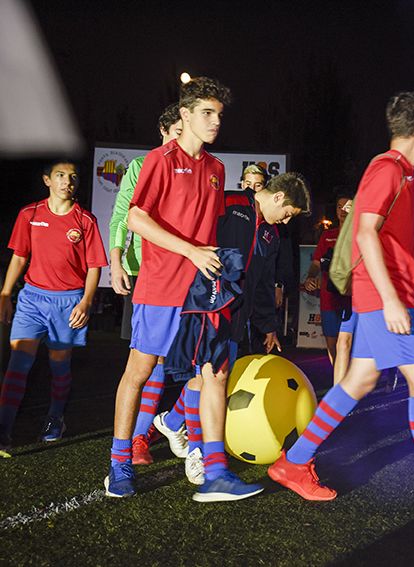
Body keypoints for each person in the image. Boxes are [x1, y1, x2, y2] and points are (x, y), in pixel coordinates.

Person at [267, 91, 414, 518]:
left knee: (357, 382)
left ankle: (293, 462)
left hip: (387, 298)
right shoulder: (386, 169)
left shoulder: (408, 180)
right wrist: (391, 300)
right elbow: (366, 233)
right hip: (386, 299)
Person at [104, 76, 260, 502]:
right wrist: (190, 251)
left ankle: (216, 474)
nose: (215, 122)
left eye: (219, 115)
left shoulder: (217, 169)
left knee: (215, 373)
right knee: (139, 371)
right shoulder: (159, 159)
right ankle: (119, 464)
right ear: (186, 115)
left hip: (201, 290)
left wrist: (213, 265)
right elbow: (136, 218)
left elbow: (206, 229)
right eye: (207, 113)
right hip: (159, 286)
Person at [157, 171, 311, 487]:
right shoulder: (229, 203)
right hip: (205, 307)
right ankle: (199, 454)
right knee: (208, 377)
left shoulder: (271, 235)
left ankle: (173, 422)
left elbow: (264, 284)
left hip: (236, 317)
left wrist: (268, 326)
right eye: (287, 214)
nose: (285, 222)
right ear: (279, 197)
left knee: (212, 378)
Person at [0, 160, 107, 455]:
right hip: (32, 300)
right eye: (60, 175)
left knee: (59, 366)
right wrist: (5, 293)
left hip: (69, 302)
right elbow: (20, 257)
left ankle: (55, 417)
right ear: (47, 180)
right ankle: (3, 430)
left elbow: (95, 266)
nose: (67, 182)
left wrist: (86, 301)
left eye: (73, 177)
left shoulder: (85, 220)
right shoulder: (29, 214)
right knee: (17, 366)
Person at [108, 103, 183, 465]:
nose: (179, 142)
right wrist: (117, 259)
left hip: (178, 275)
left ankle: (148, 432)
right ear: (163, 133)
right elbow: (124, 215)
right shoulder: (141, 166)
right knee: (143, 361)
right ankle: (132, 442)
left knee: (168, 360)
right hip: (144, 273)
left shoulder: (197, 170)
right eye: (175, 134)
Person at [303, 194, 354, 384]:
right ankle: (340, 380)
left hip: (353, 298)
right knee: (332, 343)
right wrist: (310, 276)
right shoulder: (327, 235)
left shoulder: (361, 235)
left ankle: (346, 385)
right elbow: (316, 263)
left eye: (347, 207)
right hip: (329, 297)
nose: (342, 211)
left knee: (348, 343)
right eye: (339, 207)